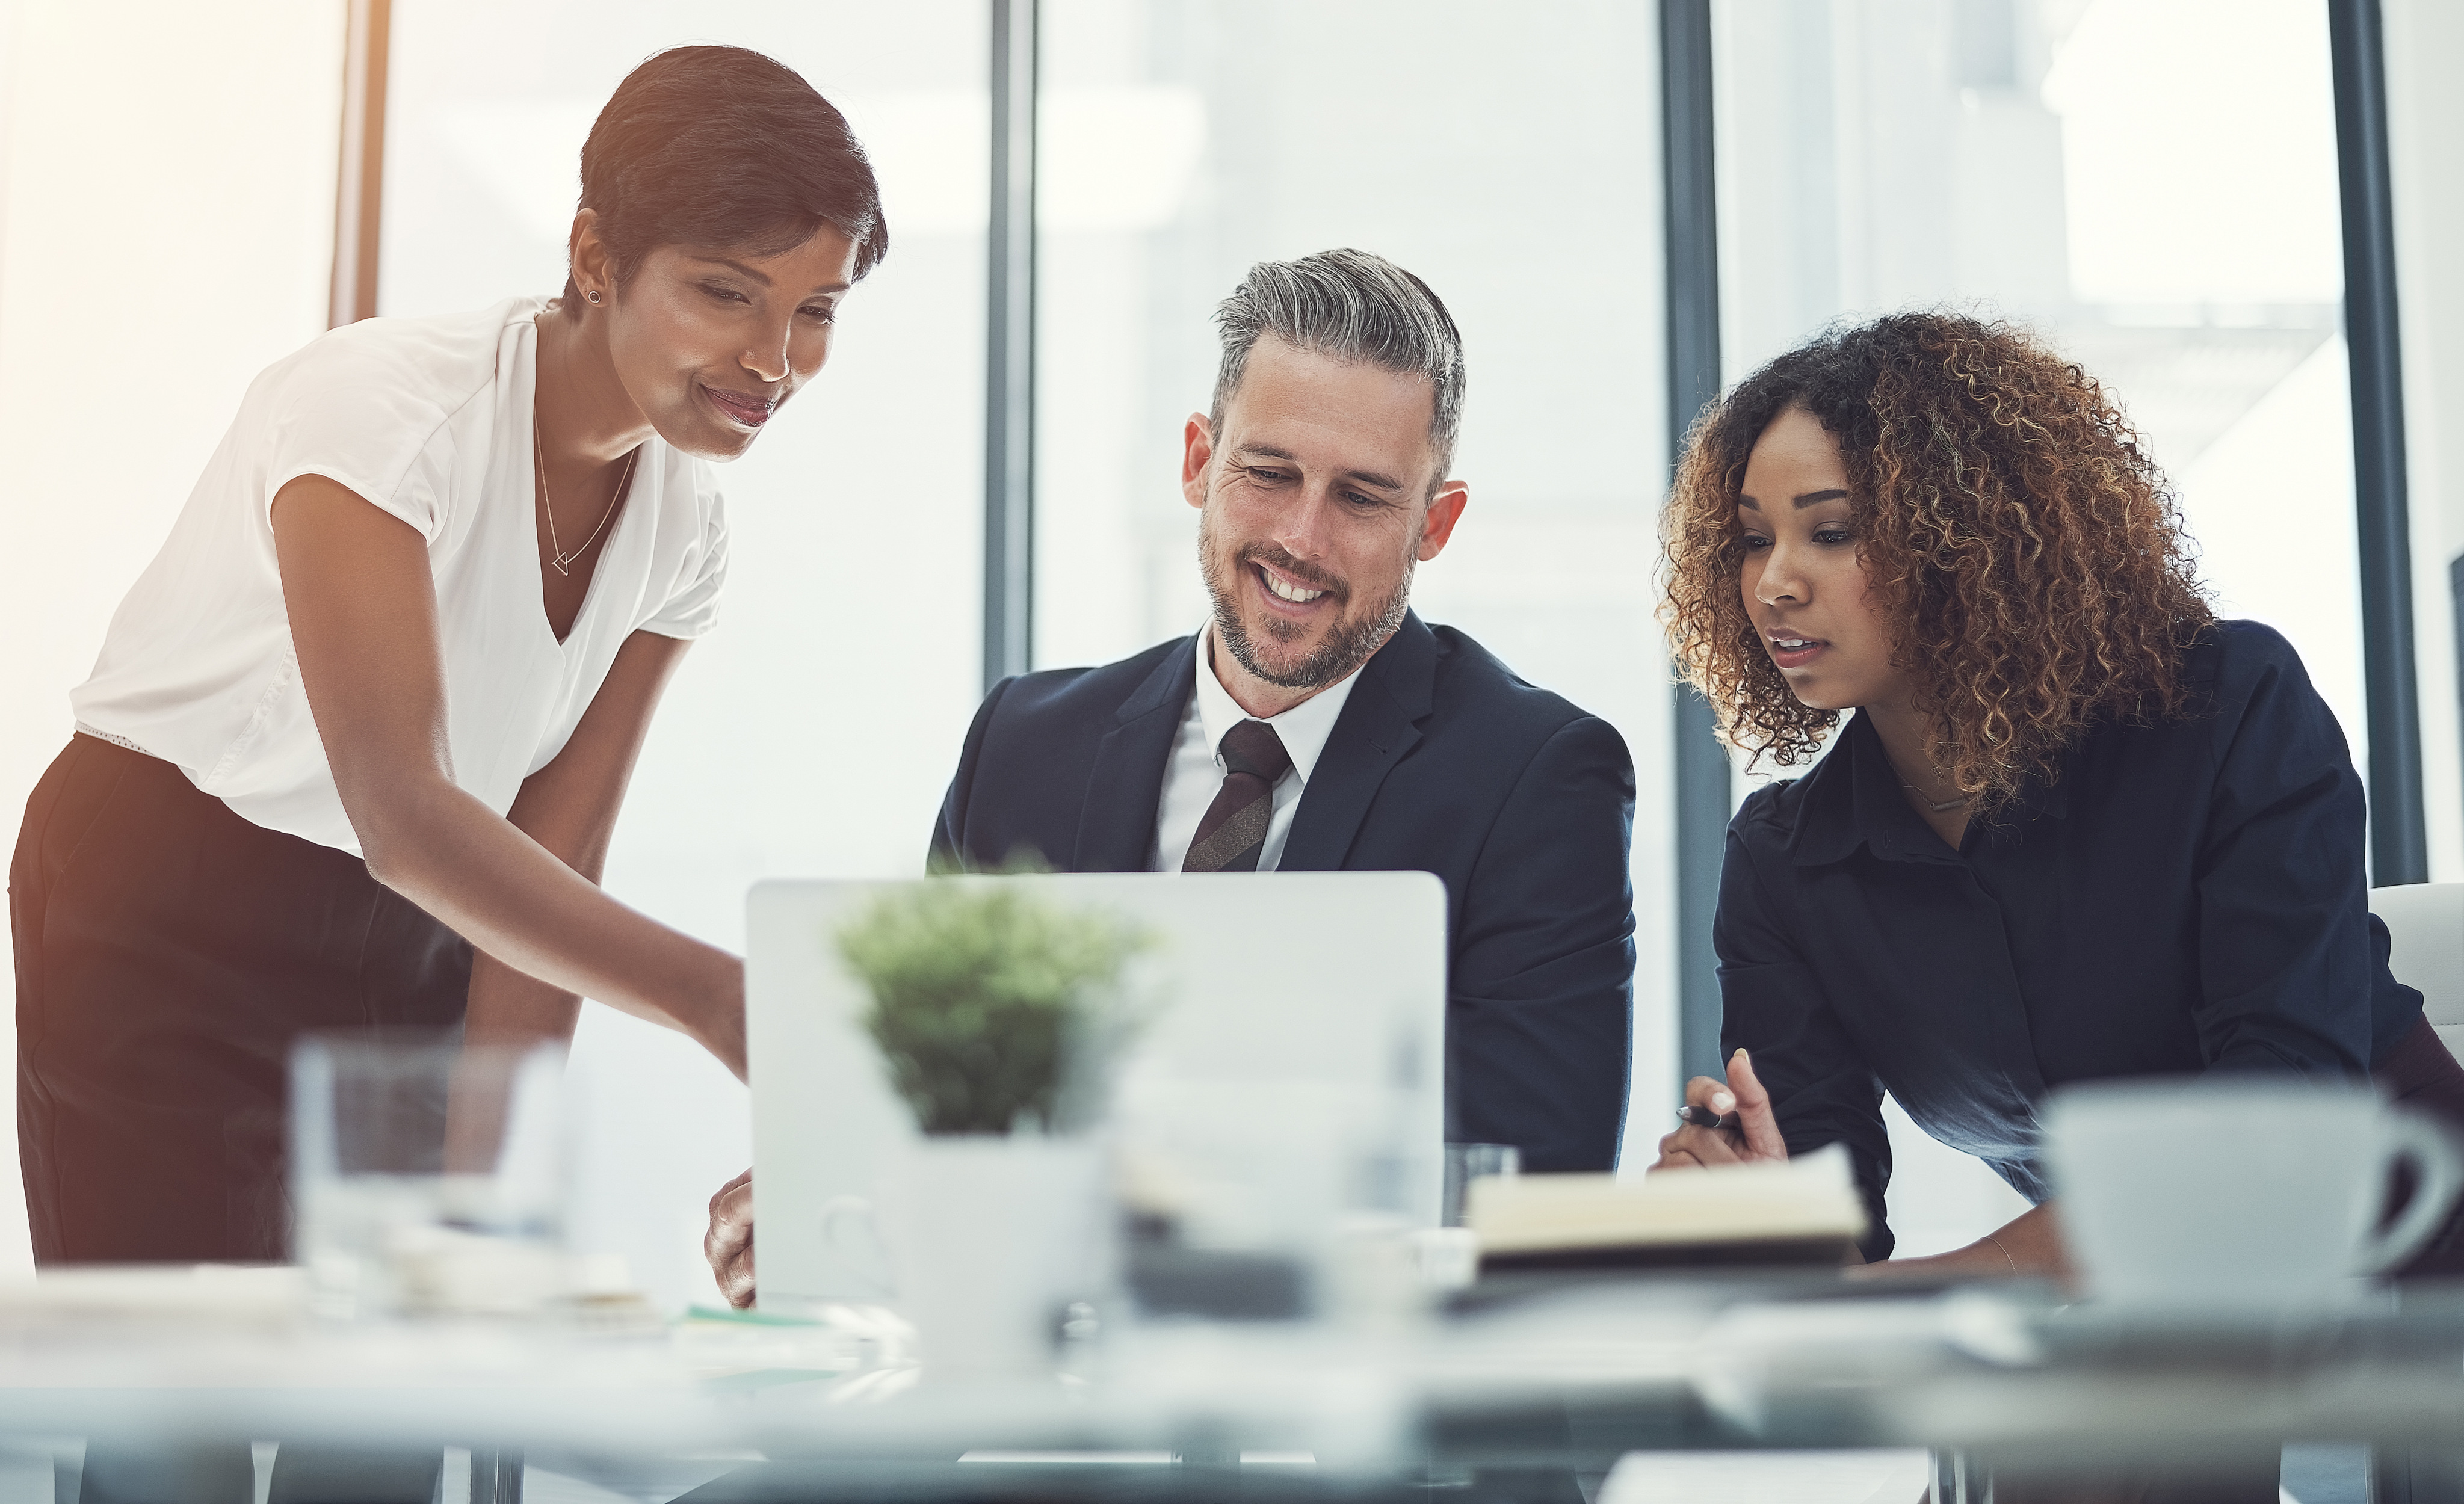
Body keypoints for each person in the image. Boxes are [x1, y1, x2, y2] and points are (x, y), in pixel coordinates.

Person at [10, 45, 889, 1265]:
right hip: (170, 893)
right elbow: (405, 809)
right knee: (186, 1419)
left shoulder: (684, 526)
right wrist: (717, 996)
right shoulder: (376, 407)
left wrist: (494, 1202)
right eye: (726, 293)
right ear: (595, 259)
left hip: (427, 924)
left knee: (407, 1385)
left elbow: (554, 850)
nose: (774, 359)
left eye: (817, 310)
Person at [705, 248, 1637, 1306]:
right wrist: (828, 1202)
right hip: (1039, 1432)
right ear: (1199, 461)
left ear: (1437, 522)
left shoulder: (1537, 777)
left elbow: (1524, 1193)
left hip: (1359, 1435)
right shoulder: (1023, 743)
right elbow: (937, 1111)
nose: (1301, 536)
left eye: (1364, 498)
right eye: (1269, 472)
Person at [1649, 311, 2464, 1288]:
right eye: (1750, 540)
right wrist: (1764, 1216)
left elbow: (2273, 1137)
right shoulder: (1787, 860)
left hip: (2417, 1286)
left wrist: (1907, 1293)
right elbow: (1834, 1232)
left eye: (1832, 532)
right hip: (2151, 1336)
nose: (1774, 582)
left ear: (1968, 539)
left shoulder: (2226, 708)